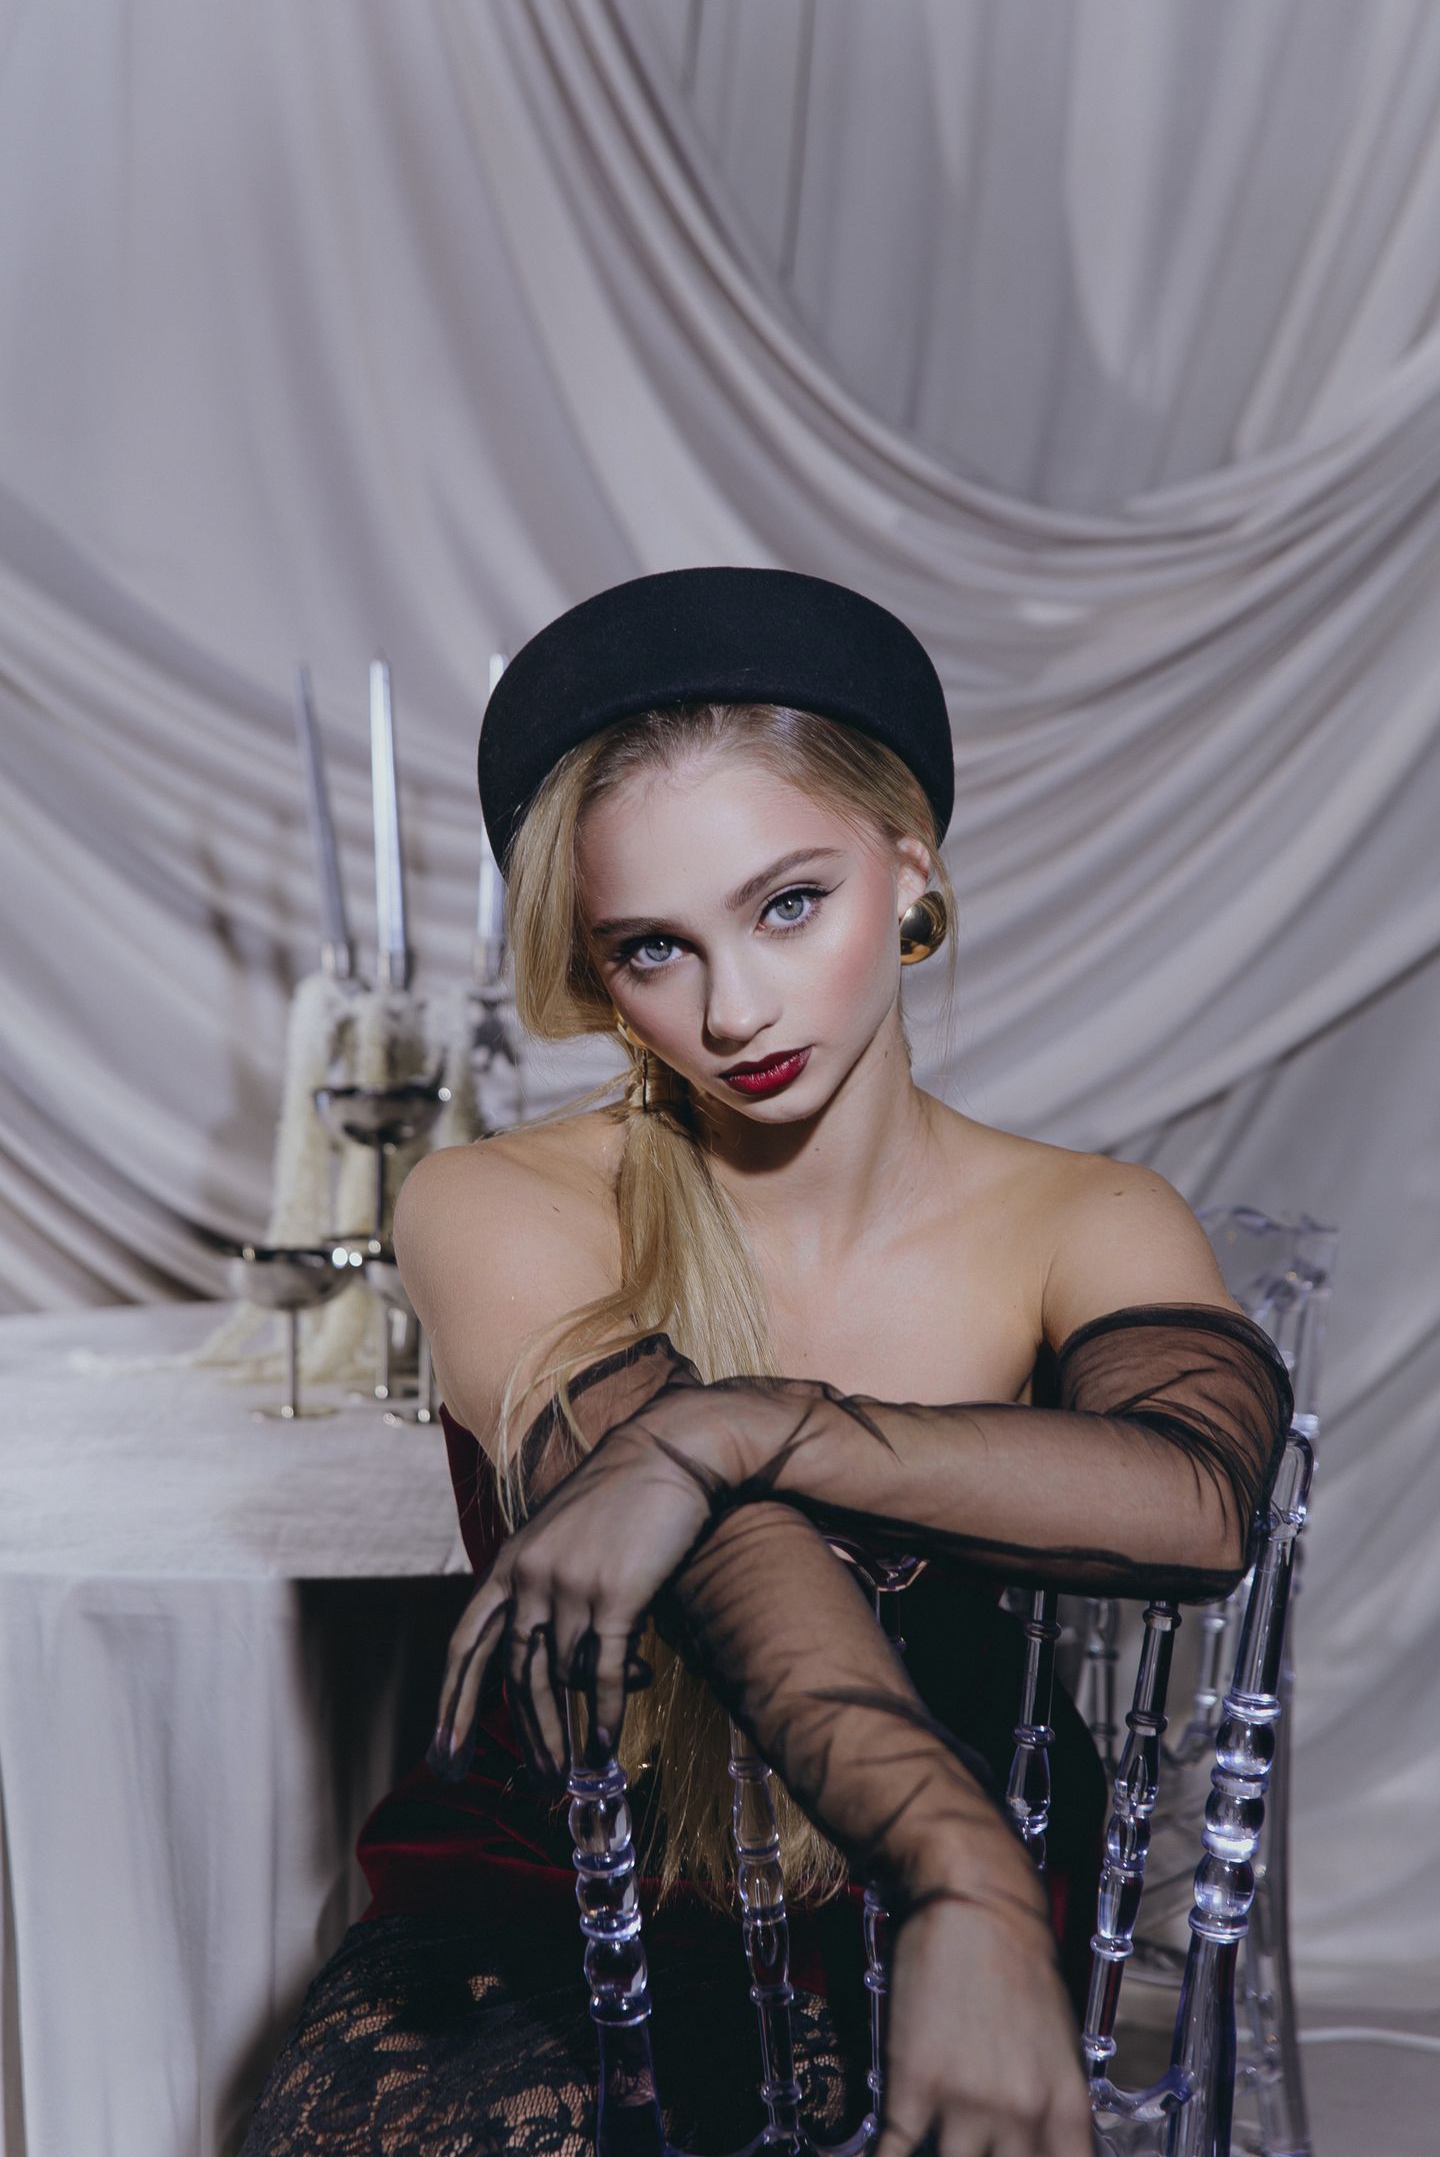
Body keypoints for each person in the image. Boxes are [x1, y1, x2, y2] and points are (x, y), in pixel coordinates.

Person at [239, 567, 1294, 2157]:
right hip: (569, 1895)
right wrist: (961, 1867)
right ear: (596, 970)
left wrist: (742, 1425)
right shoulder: (494, 1203)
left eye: (788, 904)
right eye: (653, 949)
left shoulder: (1084, 1215)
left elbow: (1200, 1505)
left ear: (911, 870)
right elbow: (721, 1556)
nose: (734, 1010)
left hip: (890, 1928)